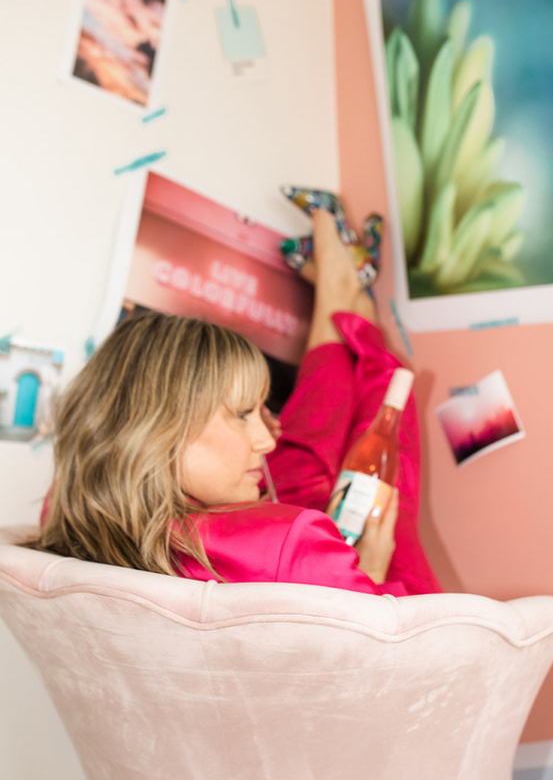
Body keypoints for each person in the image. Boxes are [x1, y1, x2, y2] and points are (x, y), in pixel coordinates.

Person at [33, 202, 440, 597]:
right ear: (157, 426)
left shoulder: (68, 510)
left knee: (300, 443)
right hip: (343, 579)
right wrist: (369, 568)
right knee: (382, 463)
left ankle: (342, 293)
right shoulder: (296, 541)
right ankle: (353, 300)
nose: (266, 439)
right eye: (242, 414)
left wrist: (246, 416)